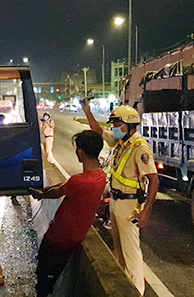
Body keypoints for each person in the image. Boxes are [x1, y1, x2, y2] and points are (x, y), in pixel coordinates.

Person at [81, 100, 159, 295]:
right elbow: (98, 131)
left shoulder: (140, 148)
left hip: (131, 205)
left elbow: (154, 181)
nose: (114, 128)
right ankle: (126, 290)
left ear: (129, 125)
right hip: (117, 202)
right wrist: (87, 111)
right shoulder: (121, 143)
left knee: (131, 253)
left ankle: (137, 292)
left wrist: (146, 213)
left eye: (117, 125)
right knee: (120, 252)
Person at [29, 130, 106, 297]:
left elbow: (57, 192)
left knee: (44, 277)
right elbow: (64, 185)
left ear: (80, 152)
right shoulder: (100, 176)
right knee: (51, 275)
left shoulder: (78, 181)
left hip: (58, 238)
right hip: (74, 238)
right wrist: (45, 189)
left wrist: (40, 194)